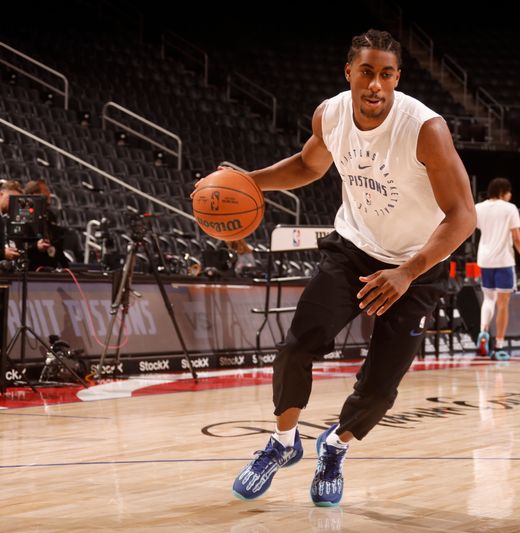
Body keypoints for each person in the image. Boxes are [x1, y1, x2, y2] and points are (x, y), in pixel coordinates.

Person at [194, 29, 475, 507]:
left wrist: (407, 272)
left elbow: (463, 215)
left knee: (381, 388)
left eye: (386, 75)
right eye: (366, 72)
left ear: (397, 79)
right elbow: (309, 165)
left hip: (417, 265)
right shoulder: (330, 114)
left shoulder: (425, 129)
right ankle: (282, 444)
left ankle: (335, 445)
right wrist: (245, 182)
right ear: (349, 72)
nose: (375, 85)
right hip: (353, 249)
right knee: (296, 345)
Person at [474, 177, 520, 359]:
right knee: (503, 304)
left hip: (484, 259)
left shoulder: (478, 208)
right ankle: (499, 345)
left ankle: (483, 331)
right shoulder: (510, 208)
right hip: (504, 261)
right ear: (503, 192)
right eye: (509, 191)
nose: (511, 195)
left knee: (488, 299)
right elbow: (516, 237)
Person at [22, 179, 71, 271]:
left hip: (50, 266)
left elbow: (56, 244)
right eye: (45, 191)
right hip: (31, 267)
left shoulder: (50, 215)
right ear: (34, 194)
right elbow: (19, 244)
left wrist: (66, 267)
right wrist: (35, 247)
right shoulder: (23, 214)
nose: (49, 194)